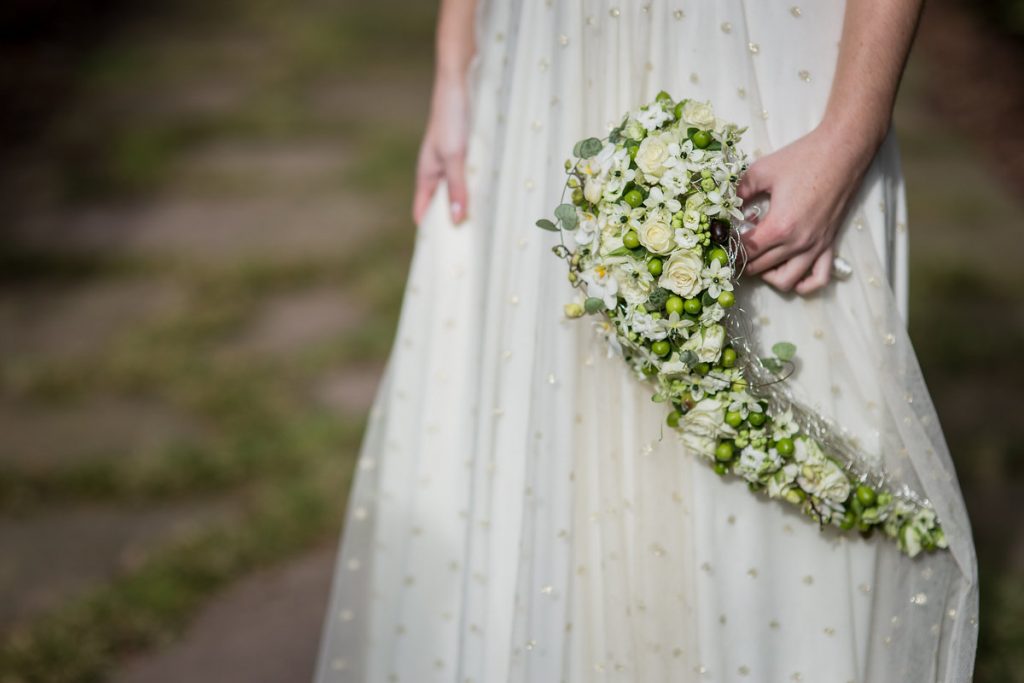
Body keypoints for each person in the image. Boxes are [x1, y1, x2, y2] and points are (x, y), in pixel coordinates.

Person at [312, 1, 979, 681]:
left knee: (773, 493)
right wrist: (455, 64)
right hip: (541, 62)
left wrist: (850, 130)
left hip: (757, 52)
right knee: (549, 446)